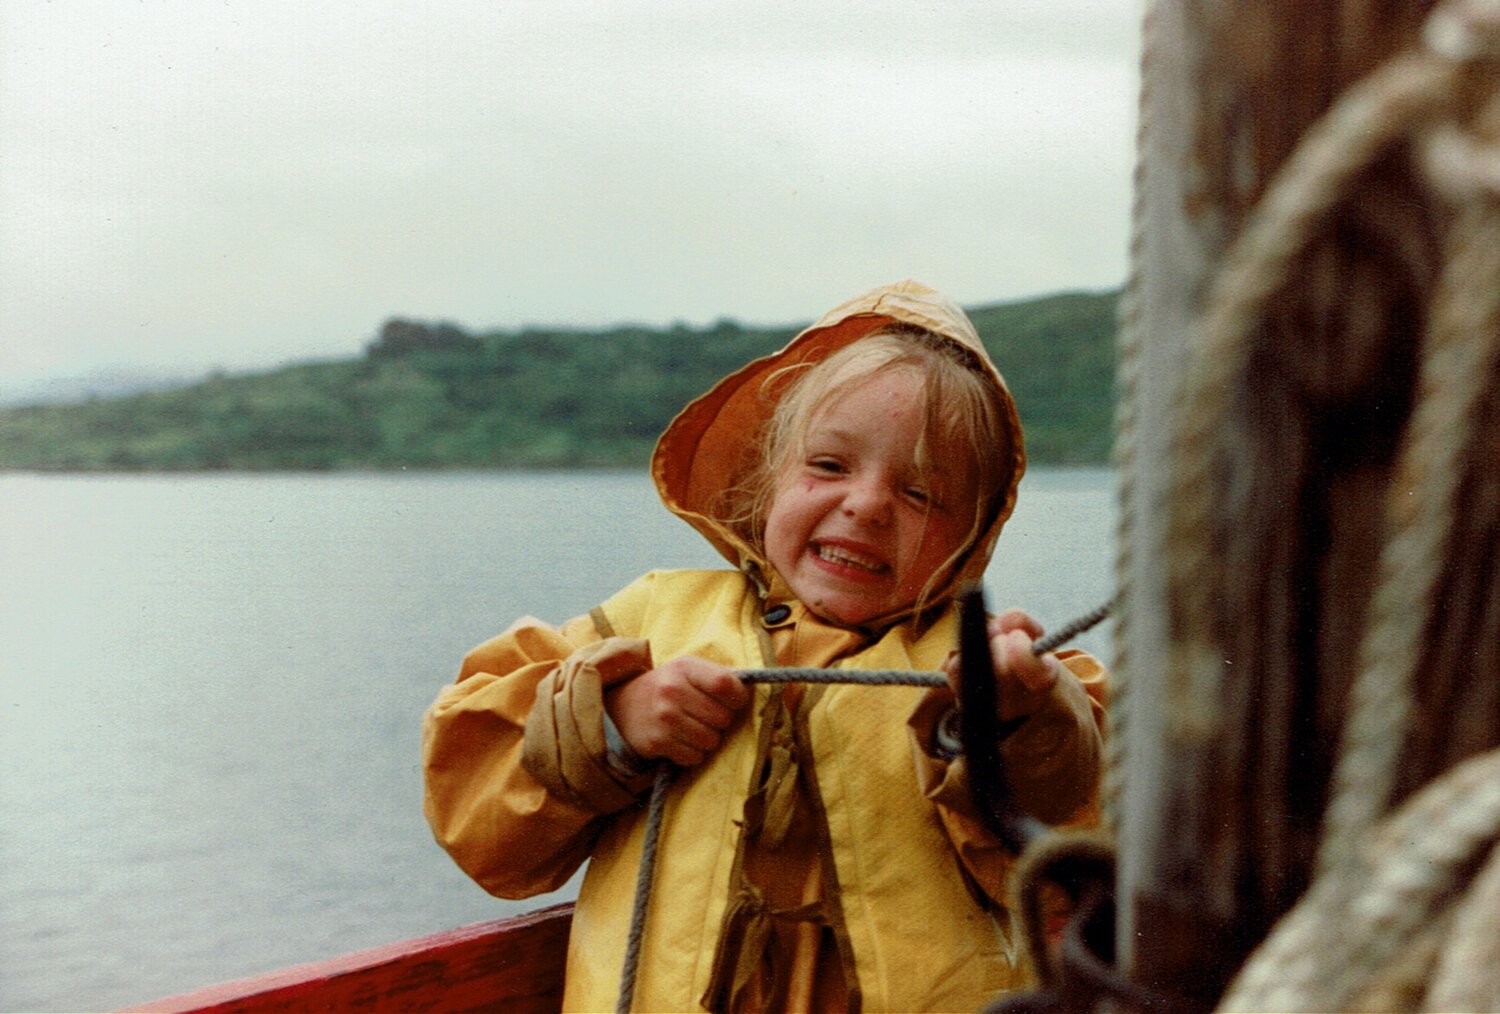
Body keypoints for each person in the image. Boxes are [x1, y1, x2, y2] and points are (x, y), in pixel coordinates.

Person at [422, 279, 1107, 1012]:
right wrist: (613, 723)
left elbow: (1089, 825)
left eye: (921, 495)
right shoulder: (649, 623)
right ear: (768, 480)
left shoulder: (982, 666)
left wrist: (1015, 721)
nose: (868, 504)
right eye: (829, 466)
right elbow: (474, 800)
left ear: (972, 535)